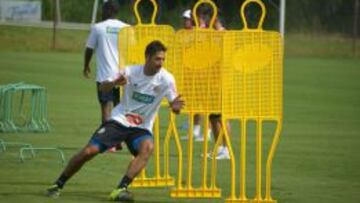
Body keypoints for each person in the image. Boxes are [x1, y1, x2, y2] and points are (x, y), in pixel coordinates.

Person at [47, 41, 184, 201]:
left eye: (163, 60)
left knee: (147, 148)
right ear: (147, 57)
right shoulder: (130, 72)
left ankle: (120, 189)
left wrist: (175, 106)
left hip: (142, 127)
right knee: (89, 151)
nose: (161, 63)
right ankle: (58, 183)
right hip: (119, 121)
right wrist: (113, 83)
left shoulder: (167, 79)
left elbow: (176, 107)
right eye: (157, 59)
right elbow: (102, 88)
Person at [83, 0, 130, 124]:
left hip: (105, 77)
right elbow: (133, 50)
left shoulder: (98, 27)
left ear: (108, 10)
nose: (101, 12)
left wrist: (86, 65)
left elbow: (89, 49)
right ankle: (117, 140)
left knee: (106, 111)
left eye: (103, 9)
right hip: (123, 76)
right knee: (120, 111)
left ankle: (109, 141)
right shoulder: (127, 28)